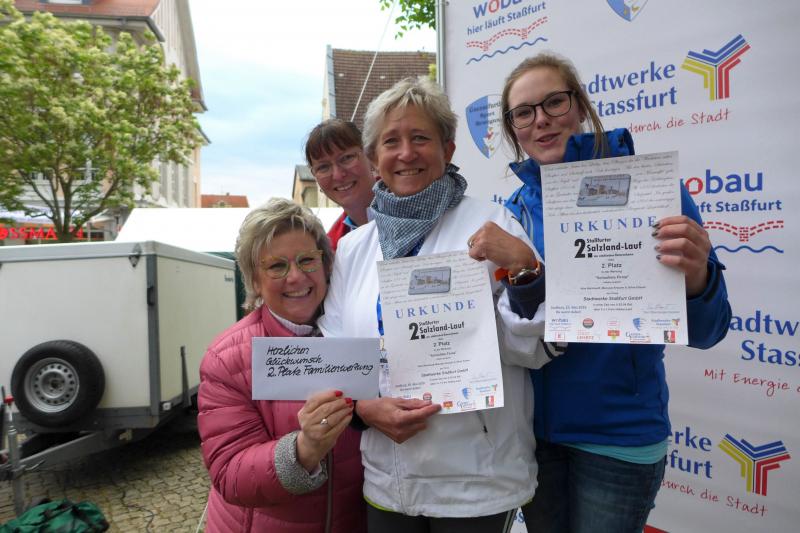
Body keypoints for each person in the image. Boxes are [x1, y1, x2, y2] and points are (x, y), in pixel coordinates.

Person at [500, 52, 732, 532]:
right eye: (523, 112)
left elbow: (709, 332)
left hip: (618, 439)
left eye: (554, 102)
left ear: (580, 106)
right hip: (534, 439)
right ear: (513, 129)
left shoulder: (651, 192)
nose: (540, 120)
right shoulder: (513, 211)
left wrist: (697, 279)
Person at [318, 76, 555, 532]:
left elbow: (532, 349)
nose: (406, 153)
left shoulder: (492, 224)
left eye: (421, 138)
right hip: (388, 478)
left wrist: (526, 272)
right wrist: (363, 408)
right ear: (374, 159)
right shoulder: (353, 248)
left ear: (447, 149)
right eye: (391, 141)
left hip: (478, 478)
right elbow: (336, 347)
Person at [197, 198, 366, 533]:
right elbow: (230, 475)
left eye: (307, 260)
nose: (296, 277)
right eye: (276, 266)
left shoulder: (359, 334)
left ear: (326, 265)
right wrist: (305, 449)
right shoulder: (228, 357)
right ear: (255, 281)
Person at [305, 119, 376, 250]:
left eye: (346, 158)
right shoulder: (333, 248)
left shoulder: (410, 208)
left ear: (370, 156)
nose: (337, 175)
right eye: (323, 167)